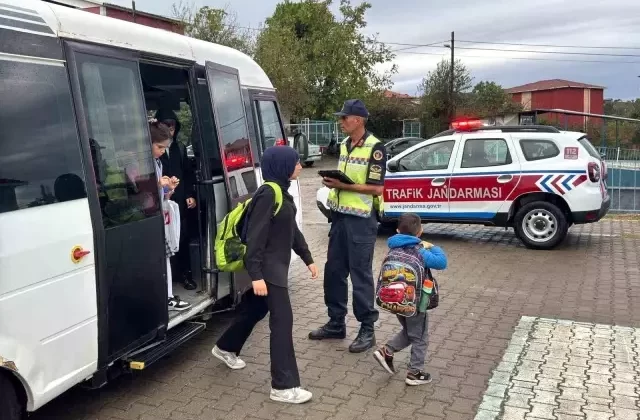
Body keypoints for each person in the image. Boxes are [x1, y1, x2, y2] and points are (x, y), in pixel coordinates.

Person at [211, 146, 319, 404]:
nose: (300, 166)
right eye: (296, 163)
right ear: (282, 166)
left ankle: (225, 347)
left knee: (256, 310)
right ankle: (283, 386)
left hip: (274, 268)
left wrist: (308, 259)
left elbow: (292, 231)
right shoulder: (268, 194)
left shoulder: (282, 193)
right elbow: (254, 239)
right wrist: (256, 275)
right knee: (282, 323)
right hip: (269, 271)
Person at [309, 99, 386, 353]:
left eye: (345, 118)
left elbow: (377, 188)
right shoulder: (344, 145)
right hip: (340, 216)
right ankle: (336, 322)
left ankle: (367, 328)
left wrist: (343, 186)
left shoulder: (375, 148)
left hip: (362, 219)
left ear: (359, 120)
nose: (341, 121)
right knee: (334, 271)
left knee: (360, 273)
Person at [372, 213, 447, 386]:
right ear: (420, 232)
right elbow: (442, 262)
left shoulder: (393, 249)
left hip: (395, 302)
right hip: (415, 303)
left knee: (410, 332)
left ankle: (387, 351)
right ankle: (415, 372)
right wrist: (431, 246)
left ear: (397, 231)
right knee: (420, 337)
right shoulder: (421, 252)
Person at [149, 121, 191, 311]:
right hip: (148, 217)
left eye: (165, 148)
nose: (162, 152)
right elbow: (140, 193)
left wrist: (168, 188)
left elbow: (162, 195)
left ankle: (167, 296)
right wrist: (159, 186)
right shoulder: (141, 165)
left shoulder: (157, 162)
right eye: (159, 147)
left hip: (158, 215)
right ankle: (163, 297)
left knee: (166, 256)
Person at [155, 109, 197, 291]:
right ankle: (169, 278)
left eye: (173, 125)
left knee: (182, 237)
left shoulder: (179, 147)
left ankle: (185, 274)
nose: (170, 128)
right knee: (166, 241)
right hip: (162, 200)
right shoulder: (155, 149)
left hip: (178, 200)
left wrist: (190, 194)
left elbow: (187, 173)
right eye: (166, 124)